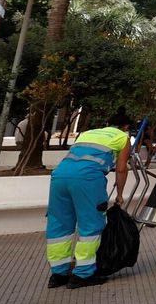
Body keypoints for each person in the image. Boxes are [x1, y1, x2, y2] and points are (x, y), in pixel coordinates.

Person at [44, 109, 132, 289]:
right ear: (126, 127)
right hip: (87, 180)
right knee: (90, 225)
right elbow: (122, 169)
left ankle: (58, 274)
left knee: (59, 225)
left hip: (59, 176)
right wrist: (120, 194)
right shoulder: (123, 138)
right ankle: (83, 275)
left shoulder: (87, 133)